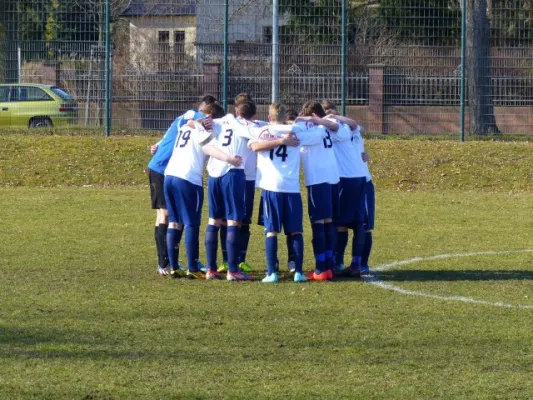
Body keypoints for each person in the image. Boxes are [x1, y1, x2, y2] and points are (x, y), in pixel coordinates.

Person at [249, 103, 326, 283]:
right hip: (292, 188)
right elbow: (319, 134)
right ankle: (298, 272)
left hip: (271, 187)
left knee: (271, 231)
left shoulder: (262, 132)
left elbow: (254, 146)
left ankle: (271, 273)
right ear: (285, 117)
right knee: (295, 231)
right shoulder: (296, 132)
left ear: (269, 117)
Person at [163, 102, 239, 279]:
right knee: (191, 223)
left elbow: (188, 124)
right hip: (188, 178)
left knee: (174, 222)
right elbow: (208, 148)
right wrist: (229, 159)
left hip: (170, 175)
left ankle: (174, 267)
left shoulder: (185, 126)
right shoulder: (204, 129)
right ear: (210, 118)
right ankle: (193, 268)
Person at [147, 100, 212, 276]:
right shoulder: (194, 116)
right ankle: (165, 263)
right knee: (167, 215)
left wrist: (157, 145)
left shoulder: (183, 120)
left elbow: (171, 134)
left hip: (163, 168)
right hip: (163, 169)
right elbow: (190, 120)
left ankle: (171, 262)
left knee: (171, 217)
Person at [202, 101, 259, 281]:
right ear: (253, 115)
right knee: (234, 220)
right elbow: (257, 135)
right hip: (233, 173)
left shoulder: (220, 122)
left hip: (214, 173)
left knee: (214, 219)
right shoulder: (246, 126)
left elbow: (205, 142)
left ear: (236, 111)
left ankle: (211, 269)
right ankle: (233, 270)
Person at [294, 101, 347, 281]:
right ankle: (329, 266)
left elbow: (296, 136)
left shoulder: (304, 124)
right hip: (333, 177)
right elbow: (337, 127)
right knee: (328, 222)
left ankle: (320, 269)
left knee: (318, 223)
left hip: (317, 178)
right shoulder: (327, 125)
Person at [320, 101, 367, 278]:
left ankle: (338, 262)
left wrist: (326, 119)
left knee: (339, 222)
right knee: (355, 222)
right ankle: (355, 263)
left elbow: (351, 124)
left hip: (346, 178)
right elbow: (356, 125)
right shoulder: (348, 127)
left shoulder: (336, 128)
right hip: (358, 176)